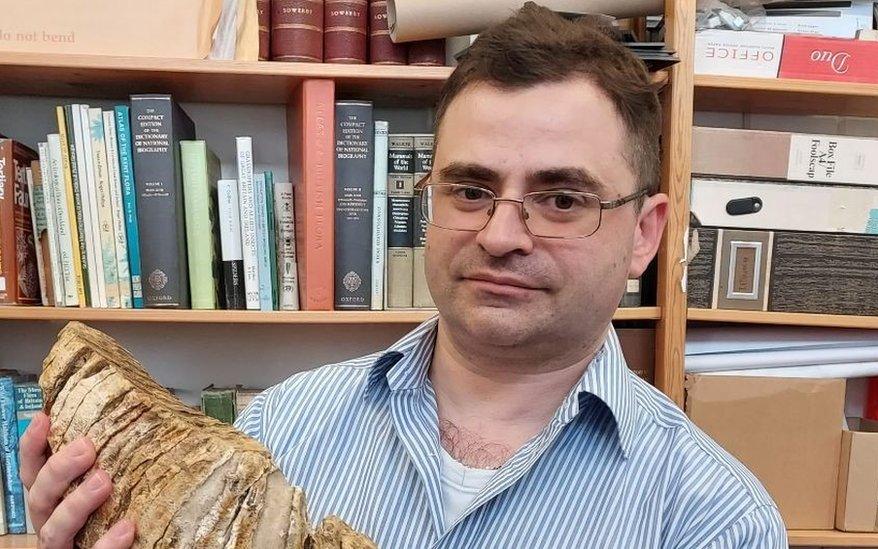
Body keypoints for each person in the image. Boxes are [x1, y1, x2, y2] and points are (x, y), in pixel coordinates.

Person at [20, 4, 787, 548]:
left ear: (643, 236)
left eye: (560, 198)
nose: (501, 234)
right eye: (470, 188)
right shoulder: (279, 429)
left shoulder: (714, 520)